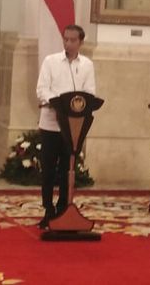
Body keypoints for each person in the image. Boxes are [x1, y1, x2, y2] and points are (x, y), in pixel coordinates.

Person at [35, 24, 96, 229]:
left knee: (66, 169)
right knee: (49, 170)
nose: (68, 43)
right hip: (51, 123)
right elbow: (42, 89)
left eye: (73, 40)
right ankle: (48, 209)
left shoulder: (87, 65)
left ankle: (63, 208)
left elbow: (90, 92)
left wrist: (75, 105)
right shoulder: (51, 61)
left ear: (80, 42)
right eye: (65, 39)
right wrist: (59, 103)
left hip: (73, 127)